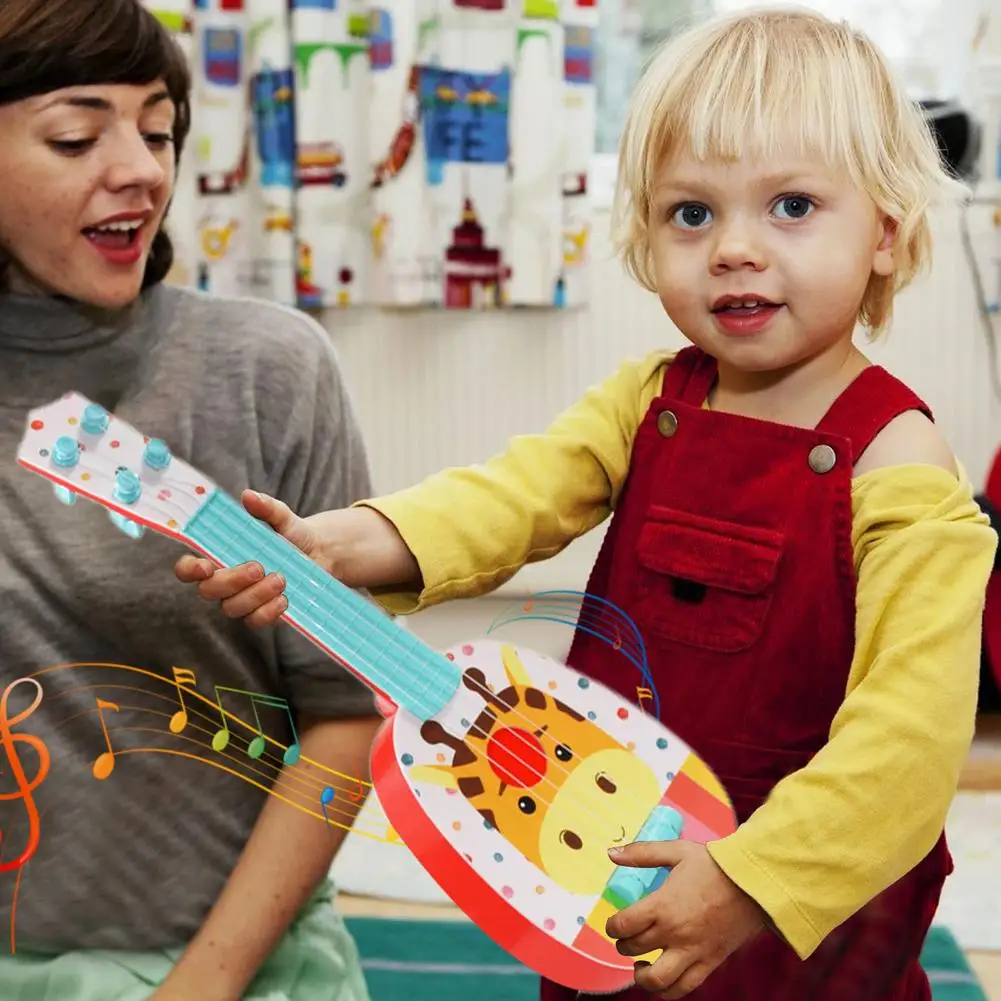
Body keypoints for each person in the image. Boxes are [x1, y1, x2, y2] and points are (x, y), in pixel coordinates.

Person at [177, 7, 998, 1001]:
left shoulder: (901, 468)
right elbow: (509, 495)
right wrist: (343, 541)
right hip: (605, 850)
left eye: (789, 205)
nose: (731, 247)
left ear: (886, 232)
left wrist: (748, 879)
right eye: (689, 213)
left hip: (804, 912)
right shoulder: (648, 400)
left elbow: (905, 746)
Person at [0, 1, 378, 999]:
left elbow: (345, 713)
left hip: (238, 973)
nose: (141, 168)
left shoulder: (268, 367)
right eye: (78, 136)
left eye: (159, 129)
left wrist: (199, 989)